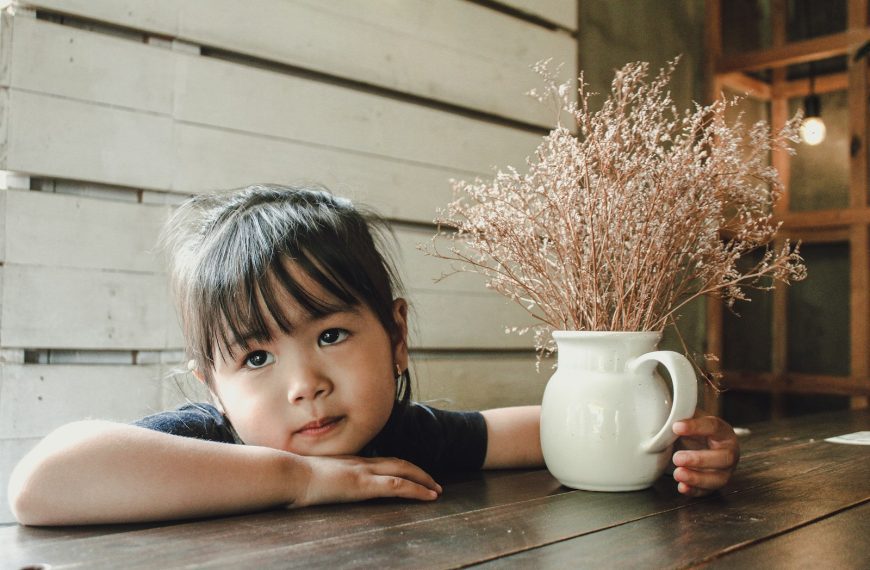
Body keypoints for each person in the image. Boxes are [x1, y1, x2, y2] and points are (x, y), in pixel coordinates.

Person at [8, 184, 740, 526]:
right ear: (213, 385)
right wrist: (299, 479)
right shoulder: (211, 441)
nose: (306, 385)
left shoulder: (401, 438)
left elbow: (542, 432)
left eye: (330, 335)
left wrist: (676, 435)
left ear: (395, 338)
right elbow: (41, 485)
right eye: (256, 358)